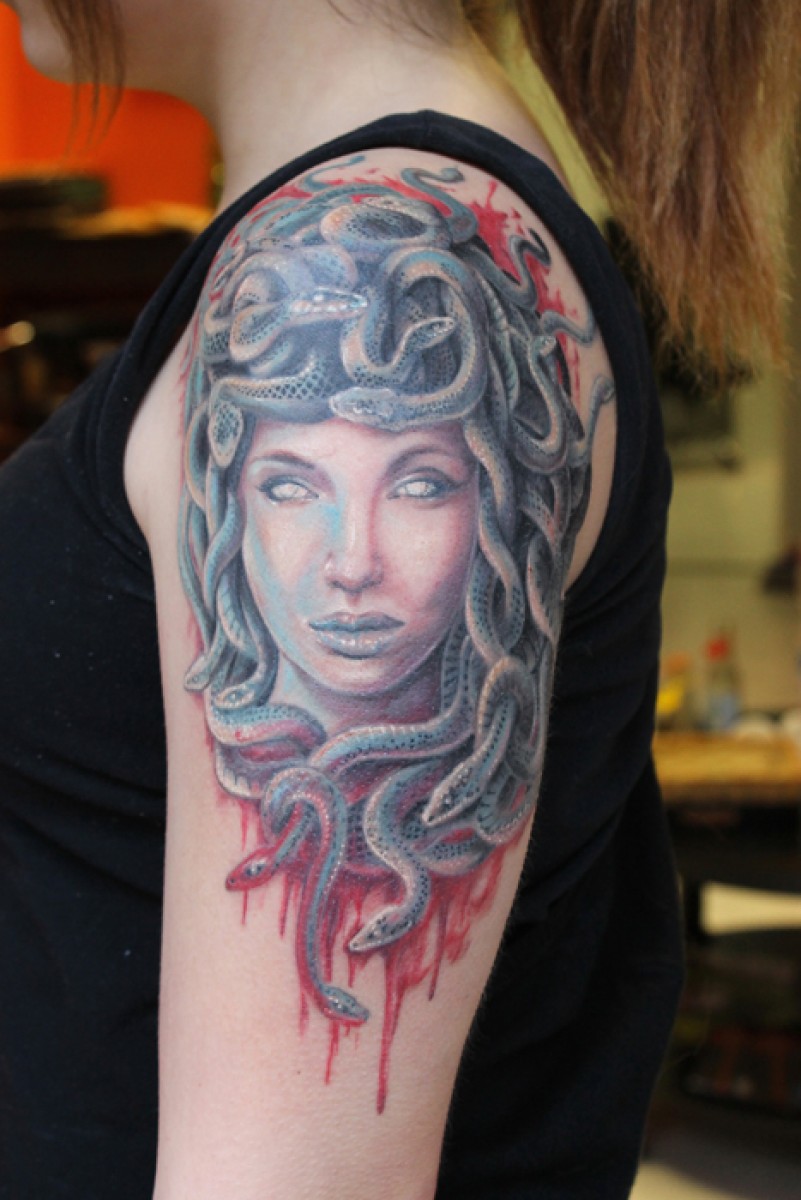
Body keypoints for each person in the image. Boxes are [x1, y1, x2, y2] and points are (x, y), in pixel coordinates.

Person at [0, 2, 798, 1198]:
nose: (352, 563)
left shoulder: (357, 253)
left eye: (419, 481)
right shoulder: (343, 238)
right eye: (292, 486)